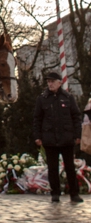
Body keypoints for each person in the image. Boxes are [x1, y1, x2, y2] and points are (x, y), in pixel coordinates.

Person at [33, 71, 83, 203]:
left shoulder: (68, 97)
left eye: (52, 81)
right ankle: (55, 193)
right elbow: (37, 119)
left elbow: (76, 117)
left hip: (67, 138)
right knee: (53, 168)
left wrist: (78, 135)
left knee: (70, 168)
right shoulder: (42, 99)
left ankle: (74, 193)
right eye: (48, 82)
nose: (50, 84)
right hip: (50, 138)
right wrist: (37, 136)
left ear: (59, 83)